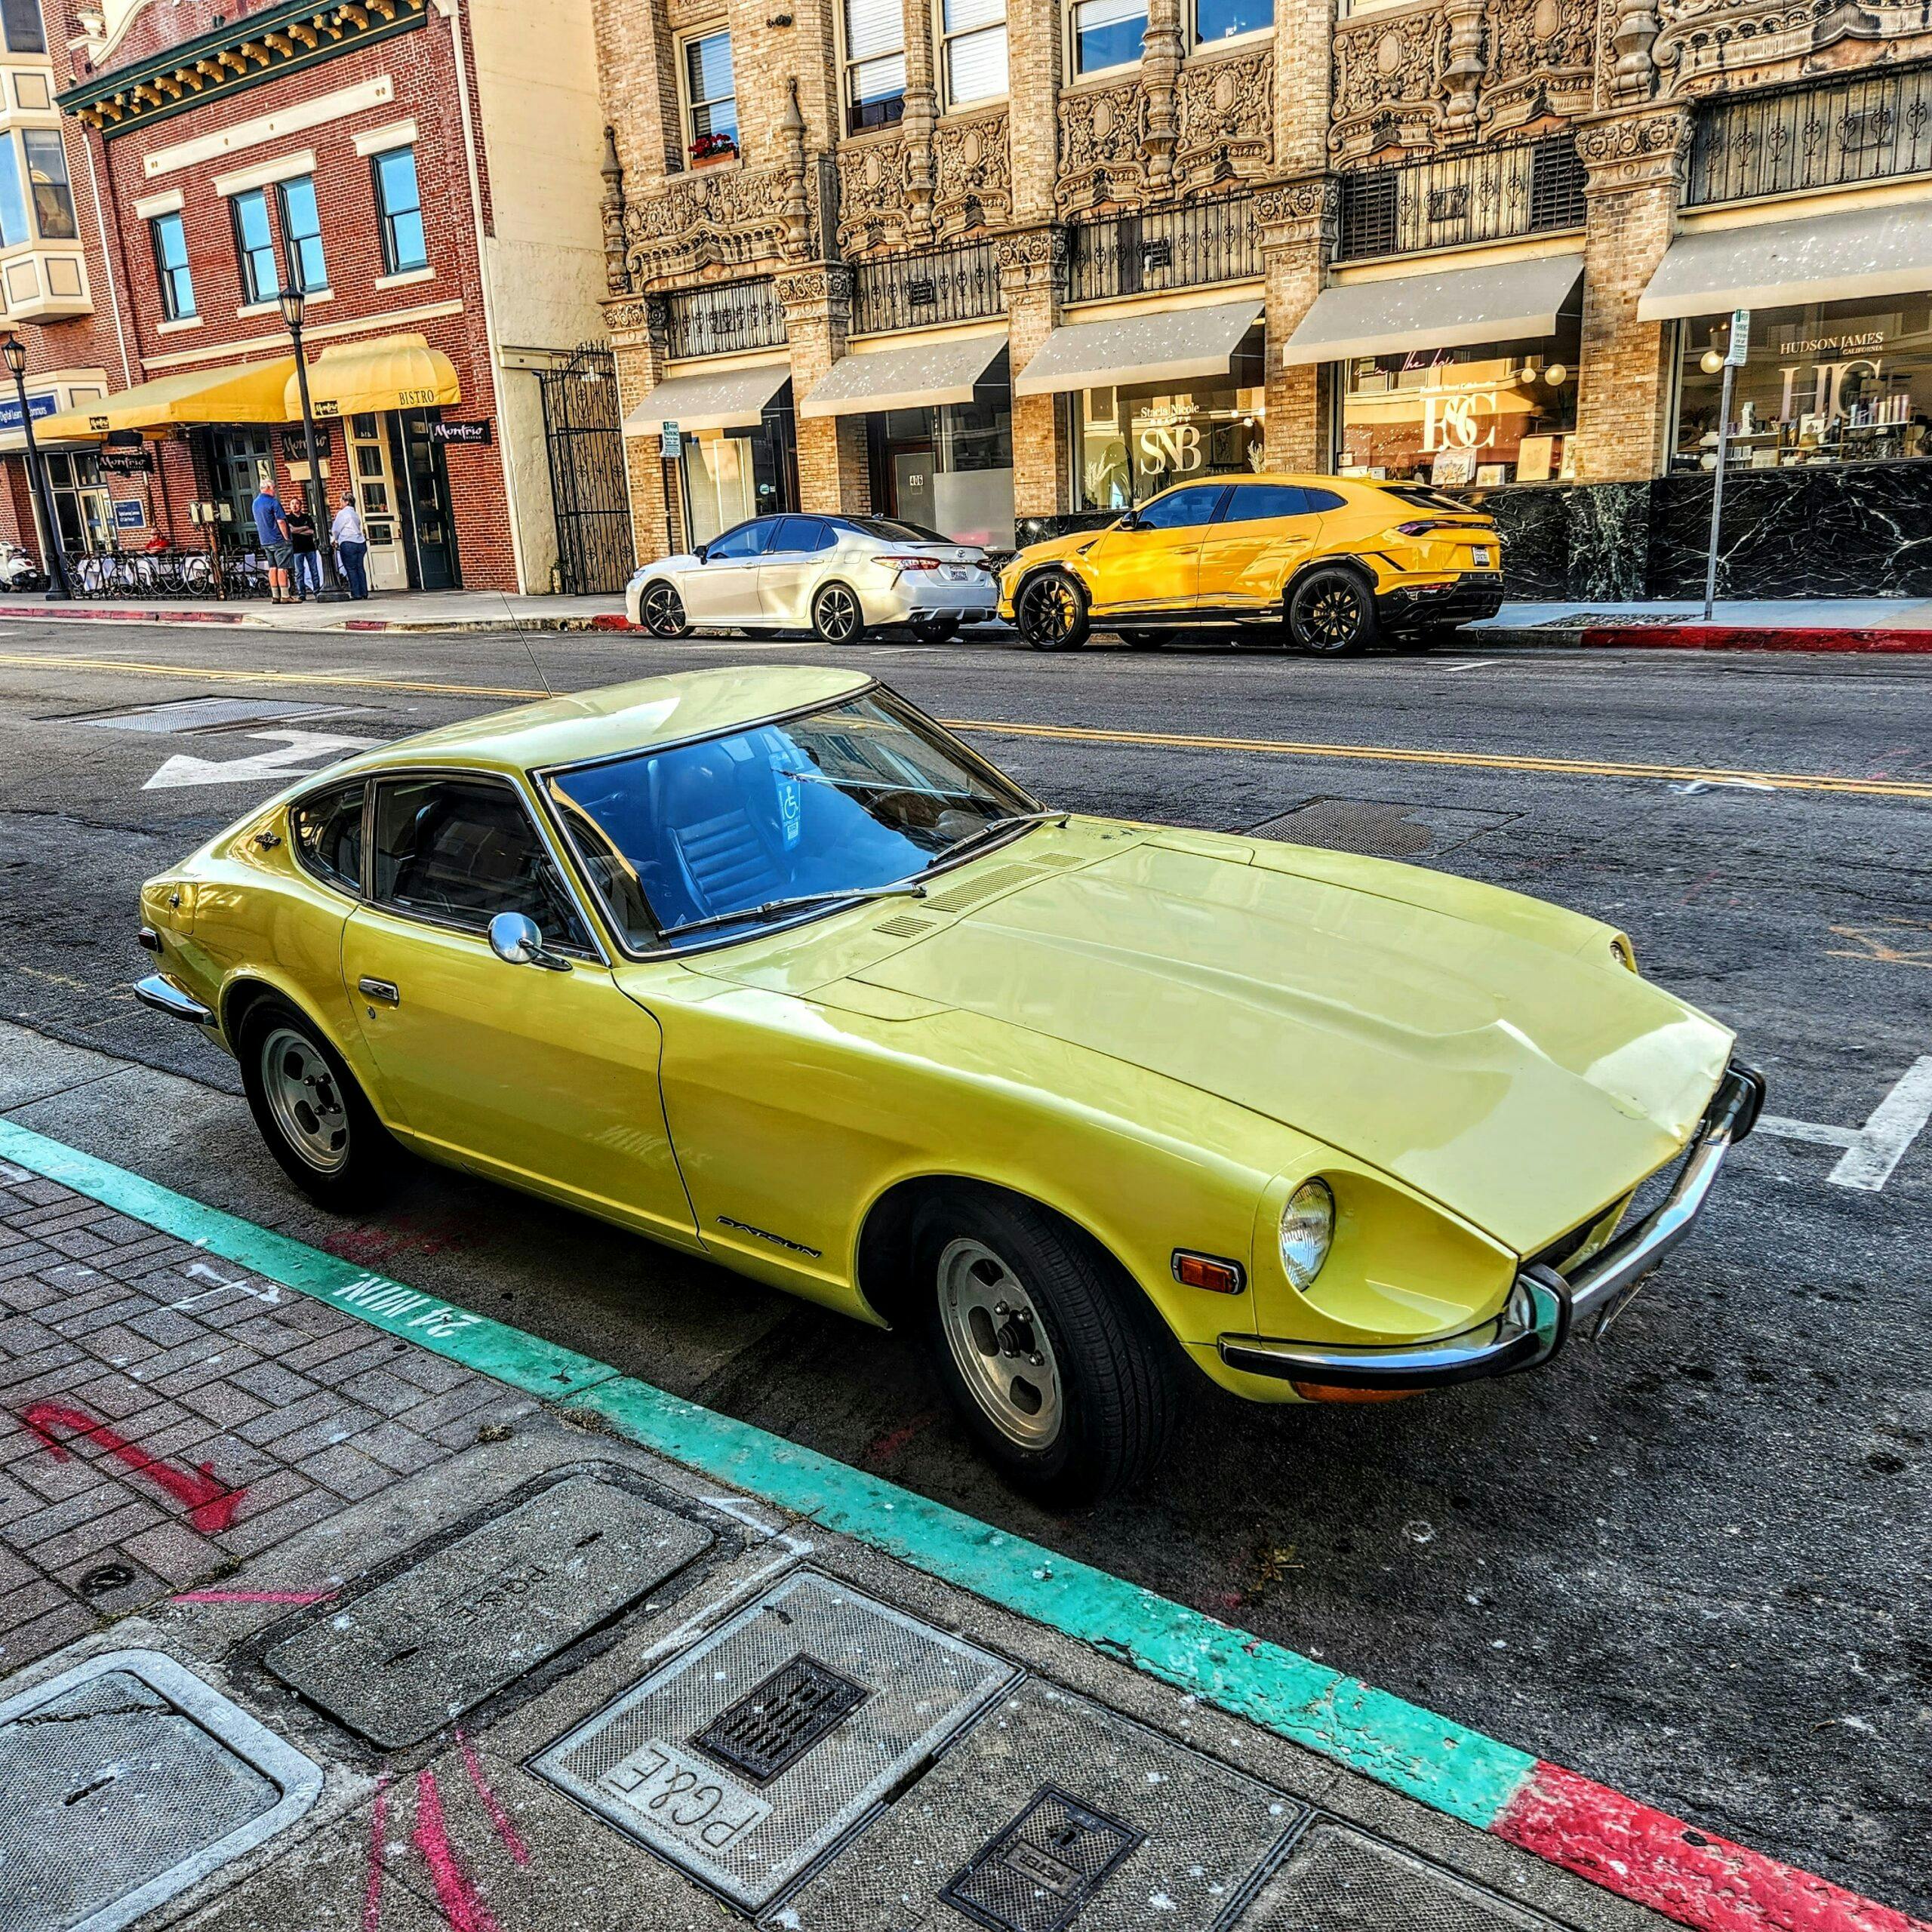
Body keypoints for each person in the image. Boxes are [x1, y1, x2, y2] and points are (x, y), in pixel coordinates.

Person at [251, 477, 293, 603]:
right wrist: (286, 538)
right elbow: (281, 521)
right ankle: (285, 595)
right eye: (274, 488)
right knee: (282, 567)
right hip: (278, 539)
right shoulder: (274, 503)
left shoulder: (255, 503)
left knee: (272, 567)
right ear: (269, 488)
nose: (275, 491)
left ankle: (275, 595)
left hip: (265, 540)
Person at [331, 491, 369, 600]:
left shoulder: (342, 513)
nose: (340, 503)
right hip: (360, 542)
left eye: (341, 501)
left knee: (351, 569)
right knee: (360, 568)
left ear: (346, 502)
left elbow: (336, 529)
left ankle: (356, 593)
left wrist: (334, 539)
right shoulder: (355, 513)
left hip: (348, 542)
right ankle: (364, 592)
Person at [286, 496, 320, 598]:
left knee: (314, 570)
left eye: (297, 503)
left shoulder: (307, 517)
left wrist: (297, 530)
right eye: (292, 504)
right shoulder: (288, 518)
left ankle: (317, 591)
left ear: (300, 506)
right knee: (299, 572)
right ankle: (302, 593)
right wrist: (304, 528)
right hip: (297, 548)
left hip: (310, 547)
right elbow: (291, 531)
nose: (295, 506)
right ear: (290, 506)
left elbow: (312, 531)